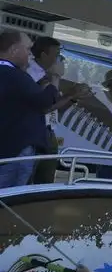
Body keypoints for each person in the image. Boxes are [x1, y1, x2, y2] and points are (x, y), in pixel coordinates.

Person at [0, 31, 61, 188]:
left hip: (9, 147)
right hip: (15, 150)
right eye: (27, 49)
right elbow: (44, 101)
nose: (30, 55)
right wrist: (55, 78)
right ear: (14, 50)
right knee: (11, 196)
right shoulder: (13, 74)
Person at [29, 38, 90, 184]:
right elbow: (46, 106)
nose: (59, 60)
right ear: (44, 55)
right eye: (56, 55)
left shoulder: (47, 74)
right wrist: (58, 81)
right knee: (28, 179)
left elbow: (57, 108)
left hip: (49, 132)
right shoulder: (31, 72)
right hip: (34, 133)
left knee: (45, 182)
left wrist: (73, 98)